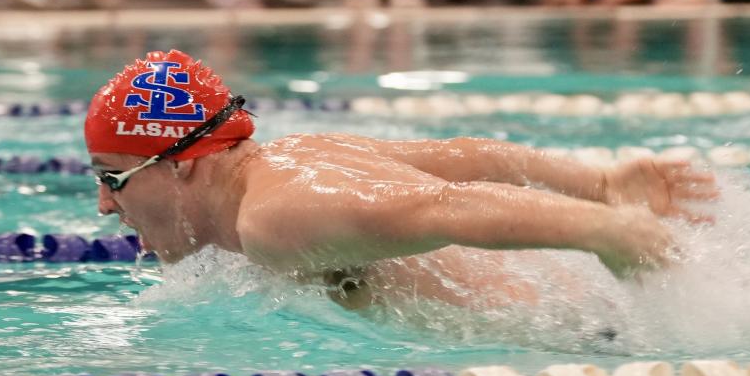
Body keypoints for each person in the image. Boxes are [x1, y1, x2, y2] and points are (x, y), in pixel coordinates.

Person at [85, 50, 715, 307]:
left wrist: (608, 229)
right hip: (583, 312)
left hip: (587, 341)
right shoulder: (295, 157)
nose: (105, 207)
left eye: (114, 178)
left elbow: (450, 205)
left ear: (181, 163)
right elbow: (463, 155)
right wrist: (598, 182)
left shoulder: (276, 218)